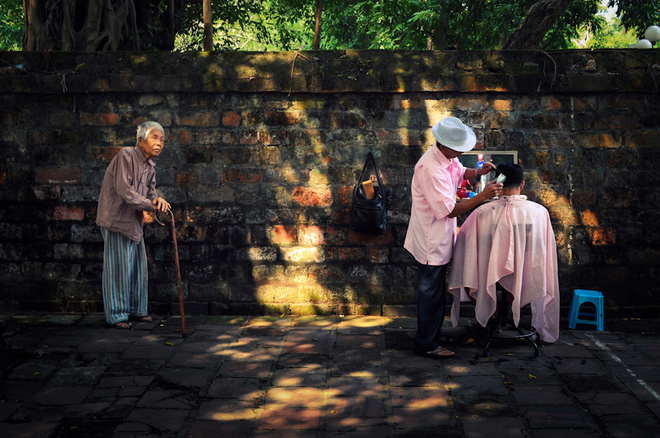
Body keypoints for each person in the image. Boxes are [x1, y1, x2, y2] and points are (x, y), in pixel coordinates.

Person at [404, 117, 503, 359]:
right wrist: (483, 196)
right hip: (431, 238)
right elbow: (449, 210)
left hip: (441, 234)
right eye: (458, 150)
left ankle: (432, 334)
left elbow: (460, 172)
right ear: (444, 145)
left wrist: (477, 172)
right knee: (431, 292)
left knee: (436, 291)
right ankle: (426, 343)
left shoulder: (446, 157)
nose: (461, 153)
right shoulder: (431, 168)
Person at [448, 163, 560, 343]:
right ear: (521, 185)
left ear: (497, 182)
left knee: (477, 270)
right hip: (526, 274)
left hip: (487, 277)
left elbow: (464, 243)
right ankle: (502, 313)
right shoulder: (539, 212)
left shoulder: (482, 212)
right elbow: (542, 249)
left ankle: (493, 315)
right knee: (518, 271)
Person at [96, 121, 171, 329]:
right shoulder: (126, 155)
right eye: (154, 138)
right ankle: (117, 315)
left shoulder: (150, 167)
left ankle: (137, 311)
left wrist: (158, 202)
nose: (159, 143)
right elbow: (125, 191)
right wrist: (151, 204)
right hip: (116, 220)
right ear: (140, 140)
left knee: (138, 267)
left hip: (134, 222)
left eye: (162, 140)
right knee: (118, 268)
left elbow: (151, 195)